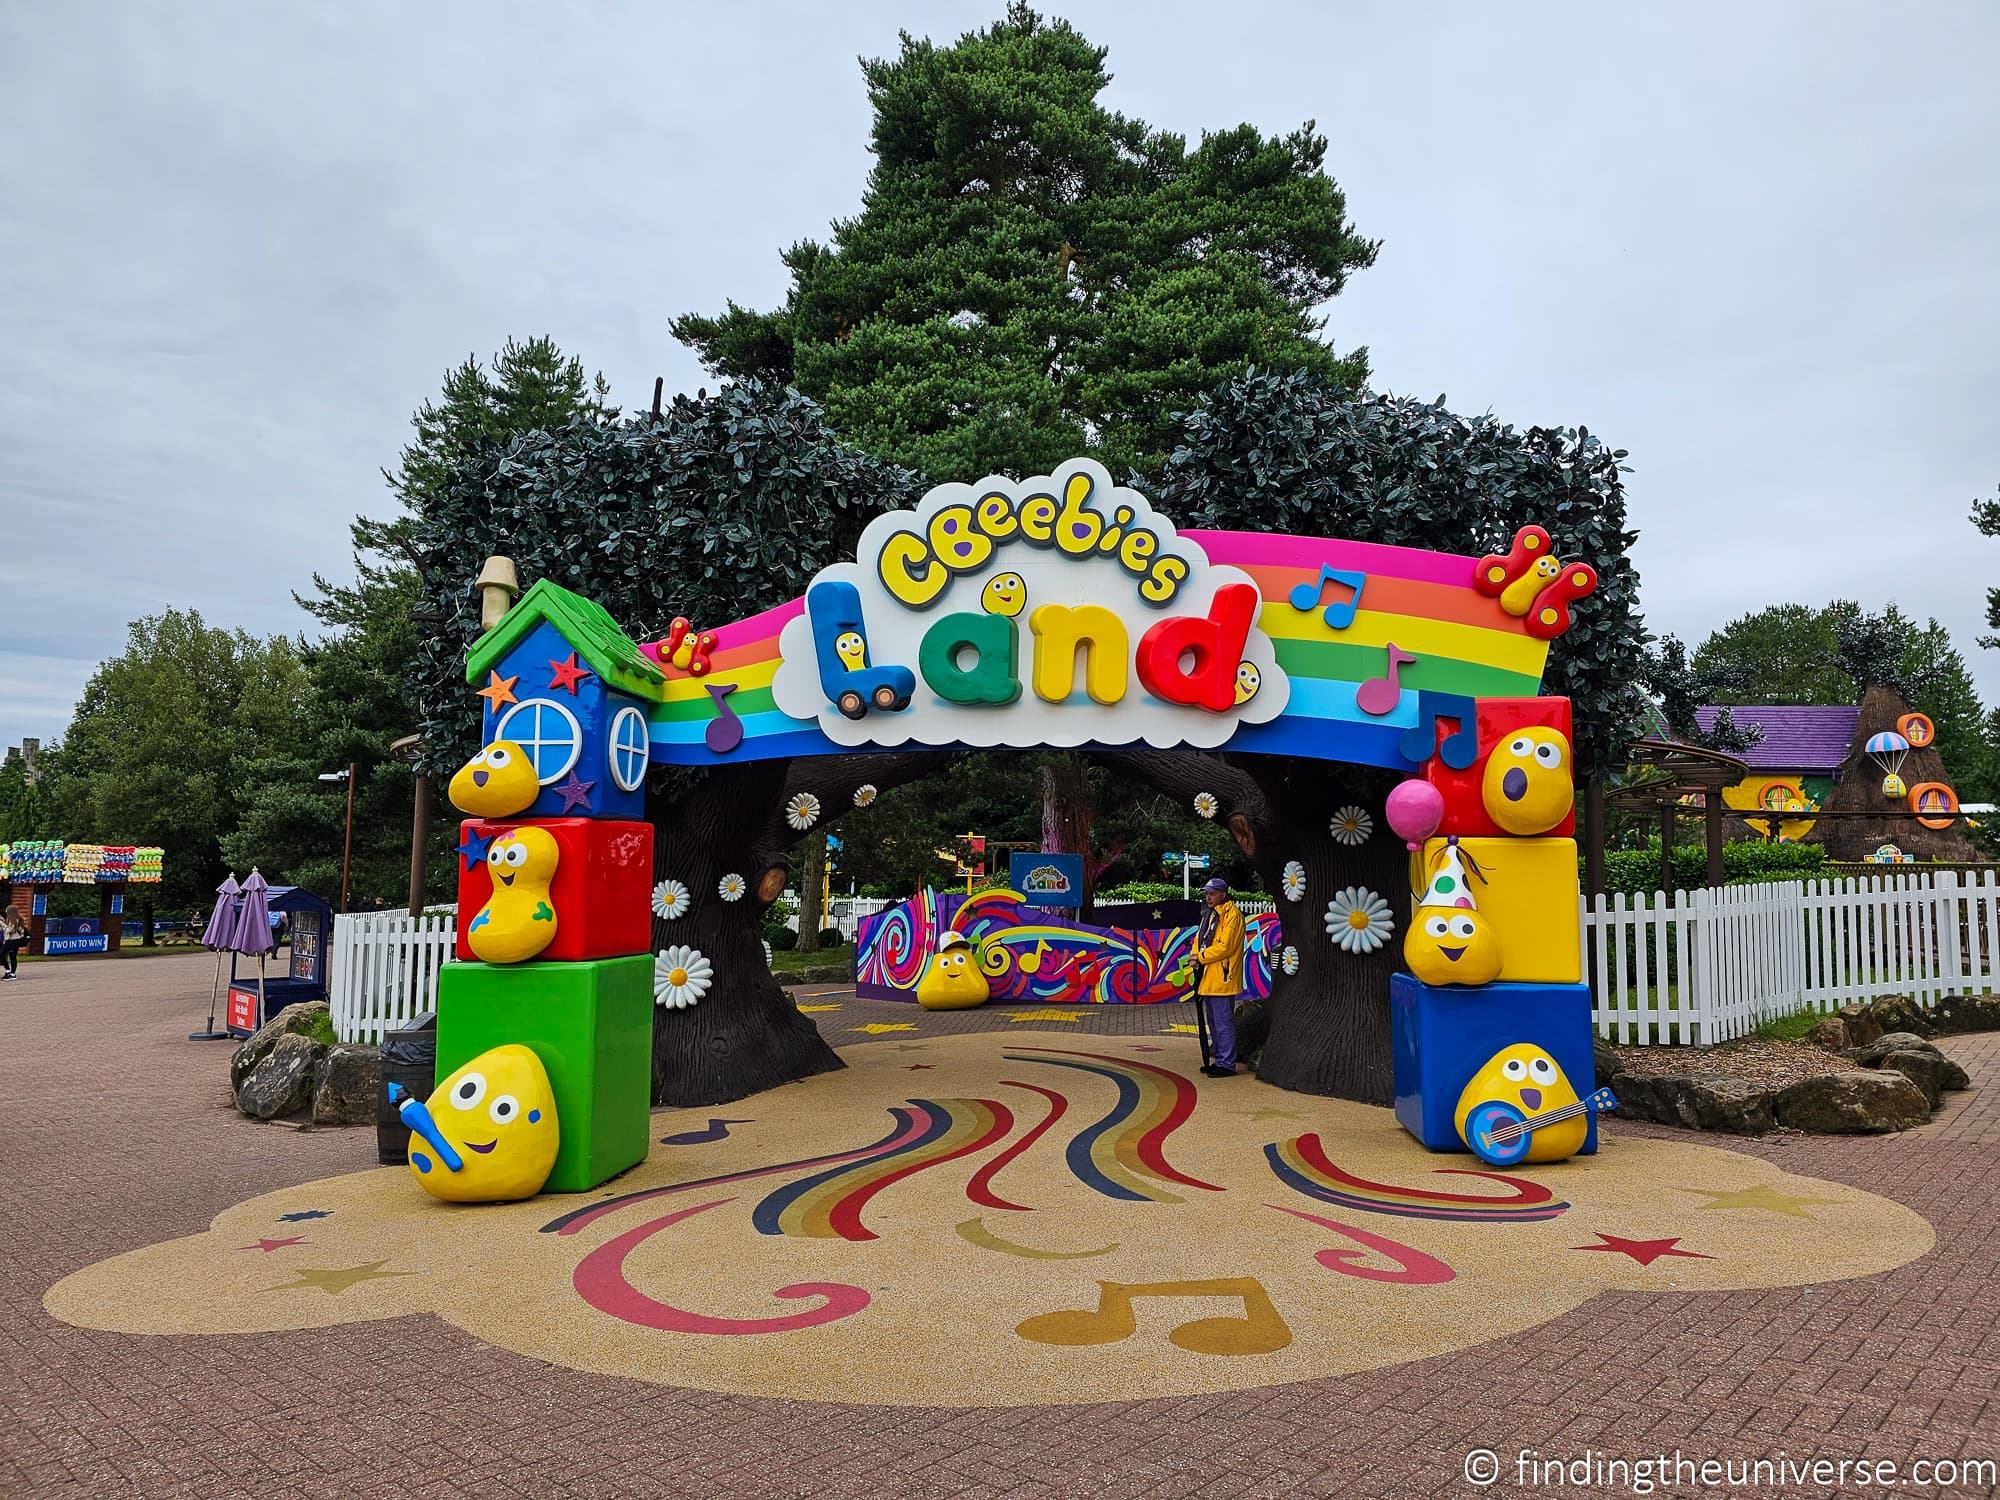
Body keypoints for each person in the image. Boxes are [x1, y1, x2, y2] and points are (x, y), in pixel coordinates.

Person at [1192, 876, 1245, 1077]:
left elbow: (1226, 947)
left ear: (1223, 894)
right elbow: (1200, 937)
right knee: (1214, 1022)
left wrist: (1200, 957)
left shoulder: (1233, 916)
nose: (1208, 897)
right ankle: (1221, 1060)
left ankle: (1227, 1063)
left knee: (1223, 1022)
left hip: (1223, 976)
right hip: (1209, 975)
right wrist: (1194, 955)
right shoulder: (1210, 914)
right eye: (1207, 893)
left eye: (1212, 894)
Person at [1, 907, 26, 979]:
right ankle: (8, 971)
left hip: (14, 940)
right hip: (9, 940)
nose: (6, 912)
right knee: (2, 955)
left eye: (7, 911)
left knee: (12, 956)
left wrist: (1, 923)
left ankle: (12, 973)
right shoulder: (10, 920)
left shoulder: (15, 921)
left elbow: (8, 930)